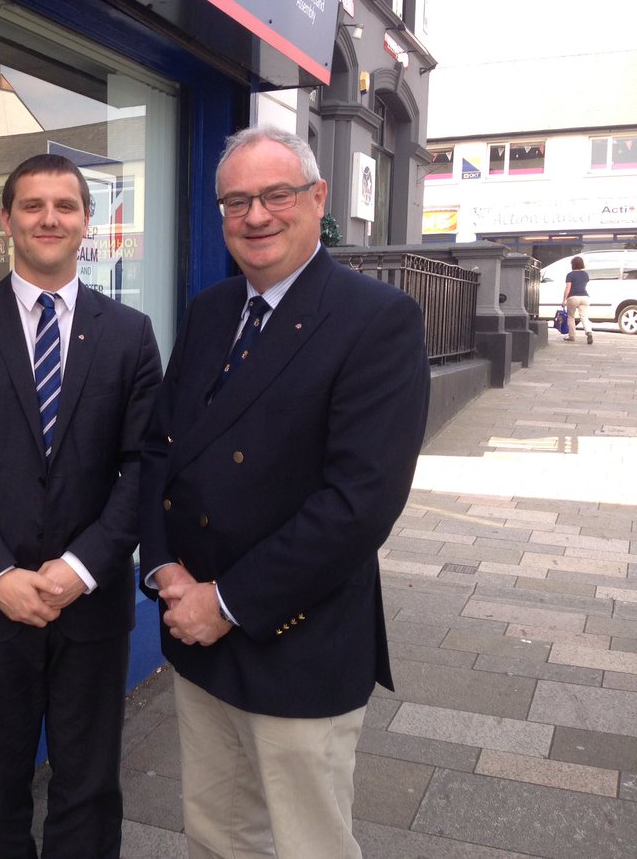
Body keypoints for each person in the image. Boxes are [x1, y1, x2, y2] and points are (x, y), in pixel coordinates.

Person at [139, 126, 430, 858]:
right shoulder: (210, 311)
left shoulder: (377, 319)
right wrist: (164, 568)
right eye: (236, 202)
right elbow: (161, 450)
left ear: (318, 198)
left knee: (309, 845)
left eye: (276, 195)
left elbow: (358, 502)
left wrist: (225, 603)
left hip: (296, 642)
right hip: (197, 635)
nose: (256, 216)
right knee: (216, 836)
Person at [0, 153, 163, 858]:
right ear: (6, 220)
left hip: (92, 603)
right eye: (32, 205)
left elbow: (144, 466)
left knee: (88, 787)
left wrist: (82, 567)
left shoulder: (129, 333)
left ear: (88, 221)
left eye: (65, 206)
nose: (49, 219)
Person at [562, 255, 593, 344]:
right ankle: (589, 332)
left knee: (571, 317)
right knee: (584, 317)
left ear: (573, 264)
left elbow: (568, 288)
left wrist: (564, 300)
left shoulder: (570, 275)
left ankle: (571, 336)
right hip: (585, 297)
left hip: (573, 297)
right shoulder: (585, 274)